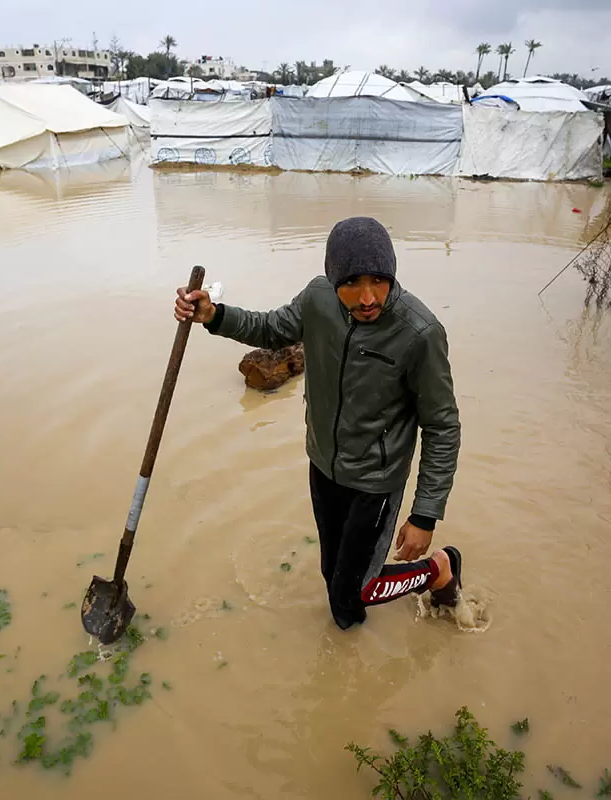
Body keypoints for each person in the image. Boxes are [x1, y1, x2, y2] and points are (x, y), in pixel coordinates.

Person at [173, 216, 462, 630]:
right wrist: (214, 315)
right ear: (332, 281)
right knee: (334, 576)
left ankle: (438, 570)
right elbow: (271, 328)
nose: (367, 298)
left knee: (351, 597)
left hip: (375, 479)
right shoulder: (317, 299)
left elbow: (442, 427)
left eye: (379, 281)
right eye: (352, 284)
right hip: (323, 464)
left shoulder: (420, 333)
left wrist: (425, 514)